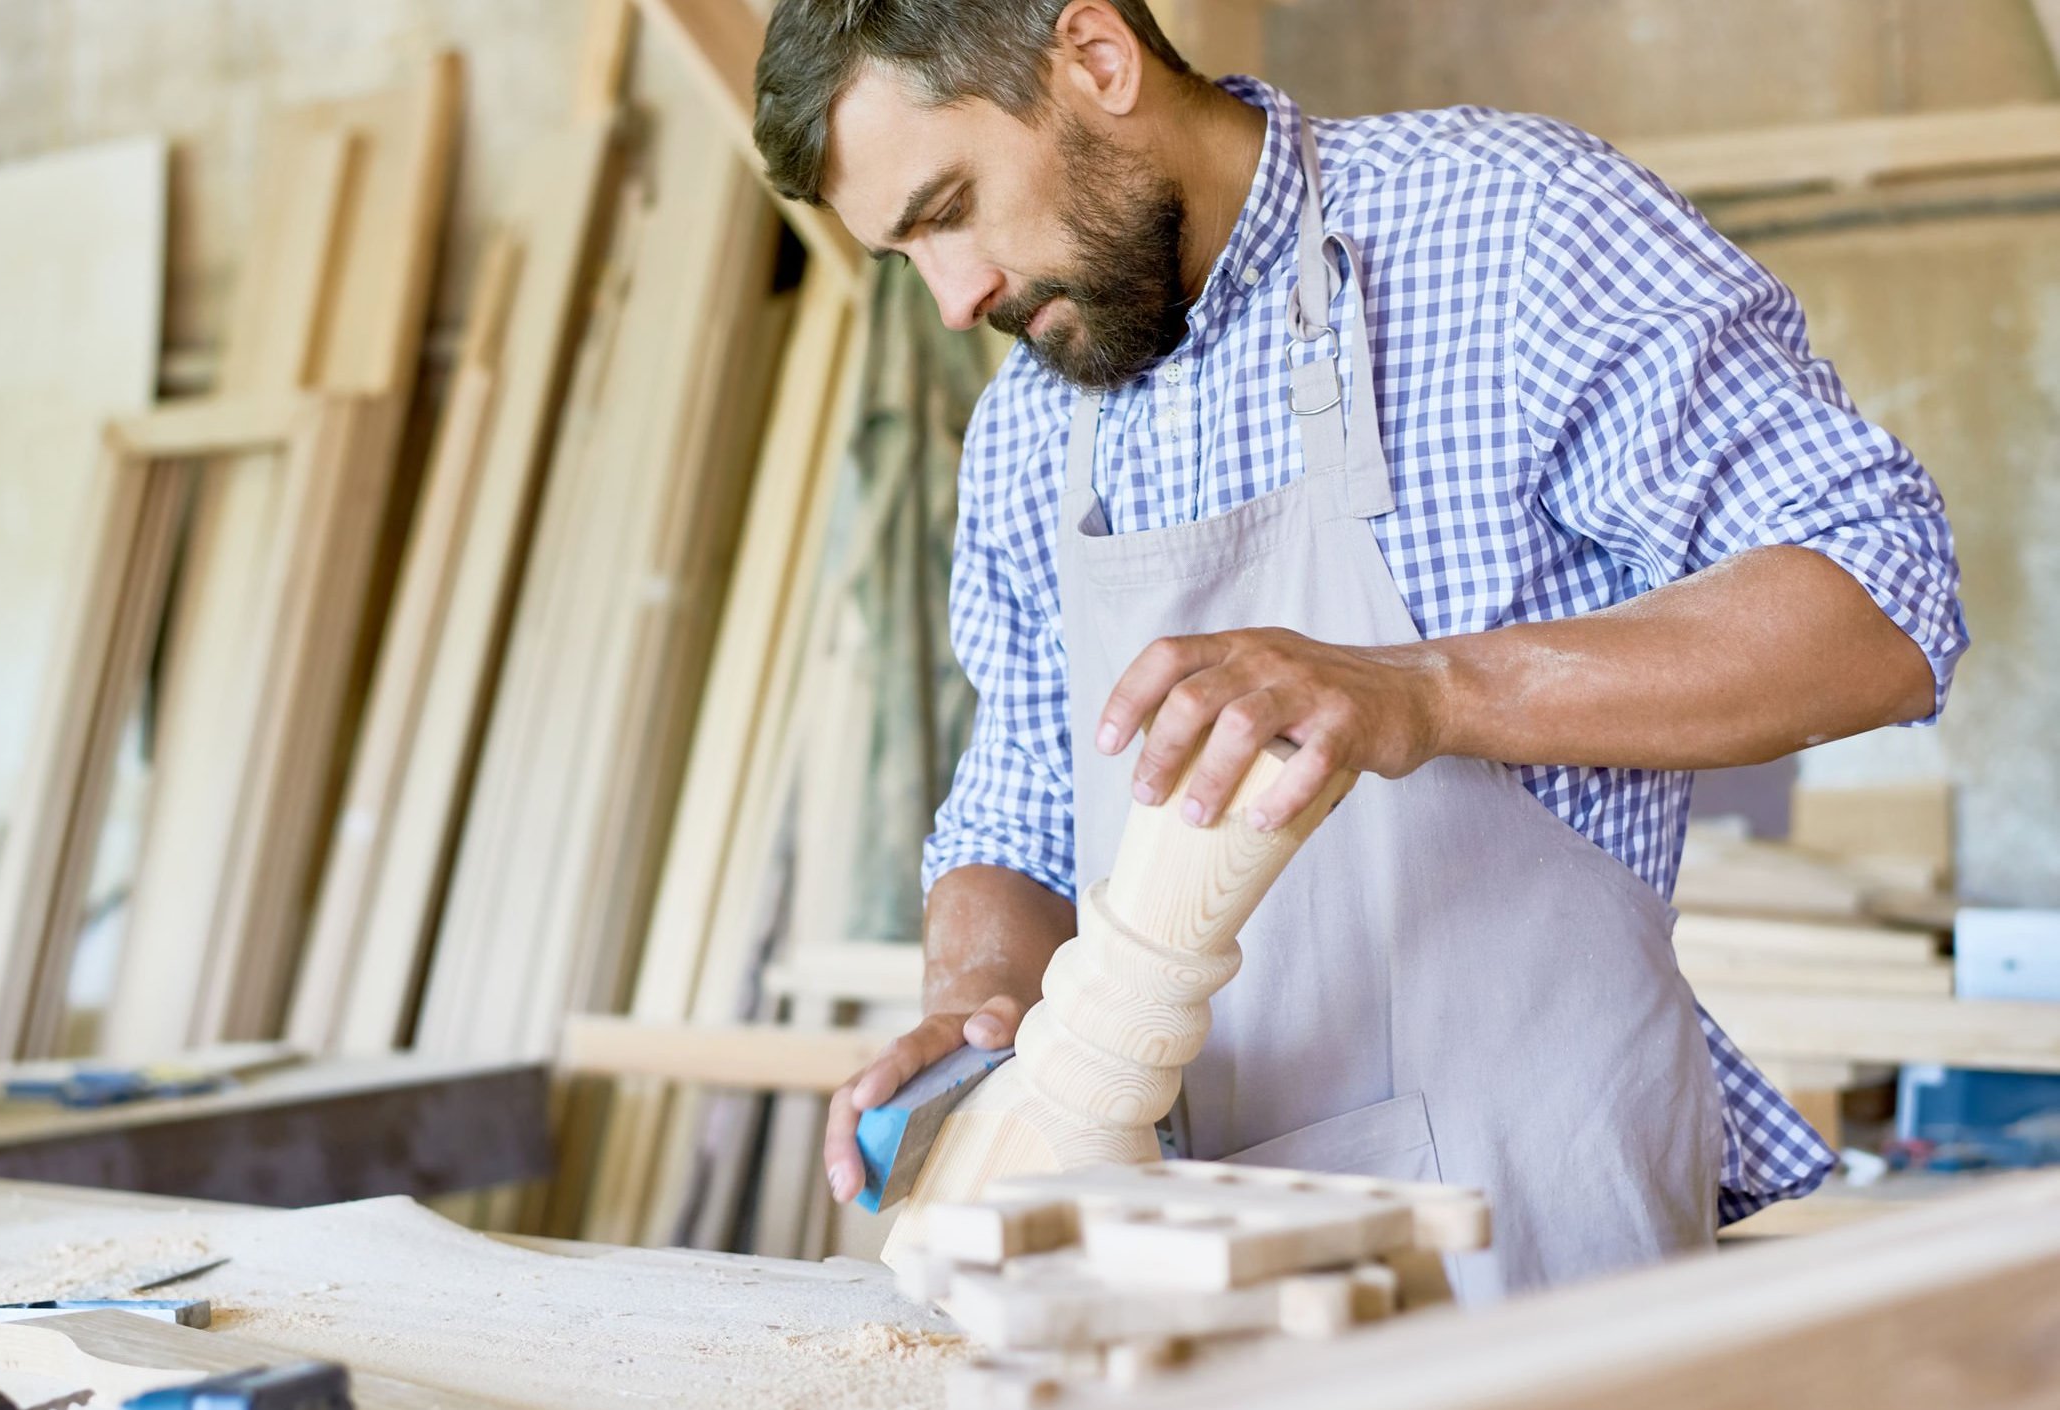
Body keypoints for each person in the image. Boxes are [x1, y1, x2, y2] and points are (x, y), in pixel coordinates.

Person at [751, 0, 1966, 1297]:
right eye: (905, 255)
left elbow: (1883, 591)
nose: (954, 298)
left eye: (950, 208)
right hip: (1194, 1278)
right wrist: (976, 995)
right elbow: (1020, 810)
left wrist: (1429, 687)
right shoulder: (1027, 431)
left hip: (1531, 1252)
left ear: (1097, 61)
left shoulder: (1509, 229)